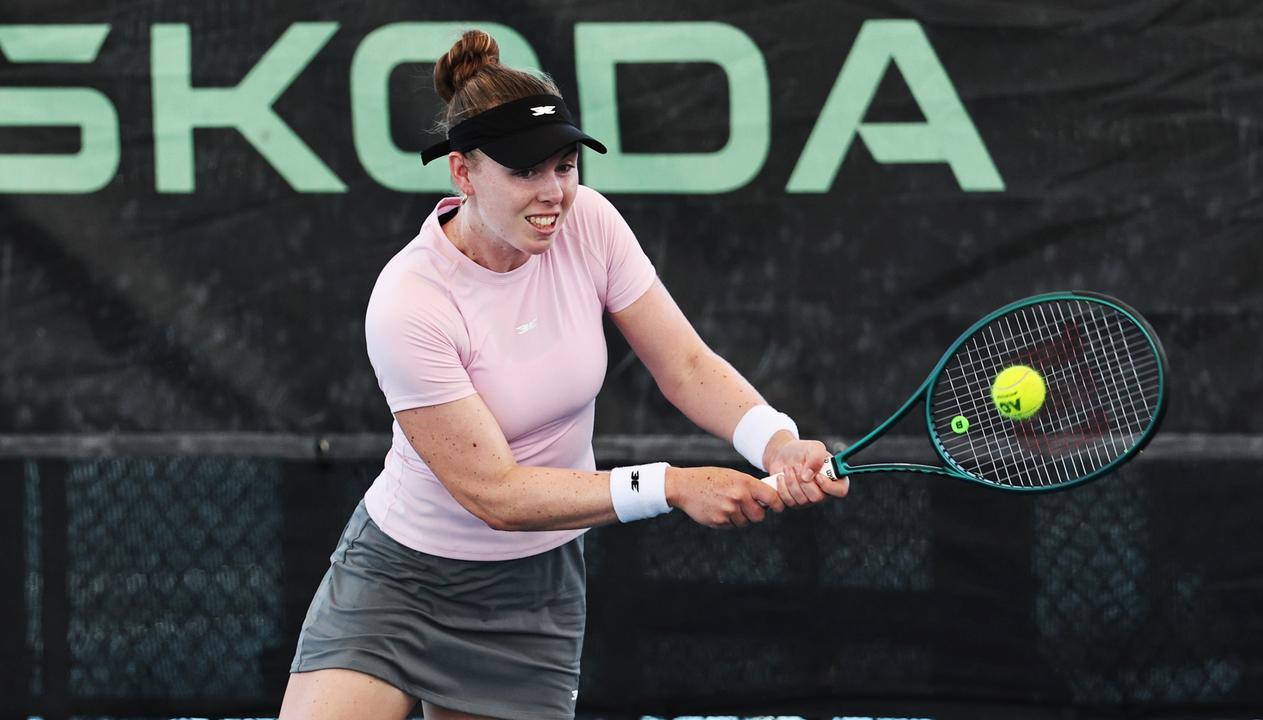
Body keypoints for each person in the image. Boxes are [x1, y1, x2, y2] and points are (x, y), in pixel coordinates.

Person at [278, 29, 848, 720]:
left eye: (565, 164)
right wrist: (670, 485)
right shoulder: (409, 302)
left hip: (534, 594)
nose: (554, 192)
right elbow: (497, 495)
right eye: (524, 171)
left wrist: (776, 444)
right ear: (462, 173)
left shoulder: (591, 226)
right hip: (400, 581)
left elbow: (686, 364)